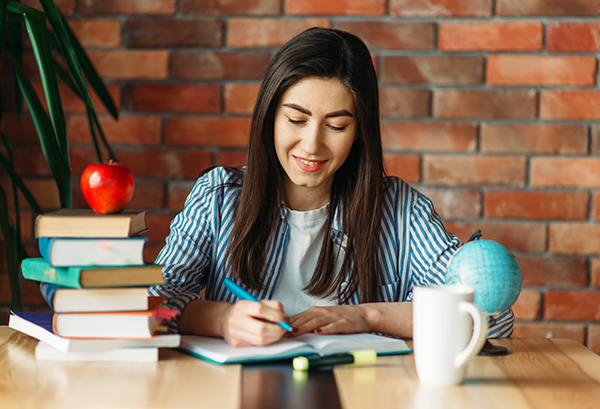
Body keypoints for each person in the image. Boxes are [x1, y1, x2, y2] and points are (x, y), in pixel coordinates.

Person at [149, 27, 514, 347]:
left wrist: (371, 316)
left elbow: (489, 317)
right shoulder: (217, 197)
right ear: (269, 118)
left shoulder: (400, 211)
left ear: (358, 133)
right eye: (295, 119)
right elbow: (154, 303)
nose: (311, 145)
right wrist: (223, 320)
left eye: (337, 126)